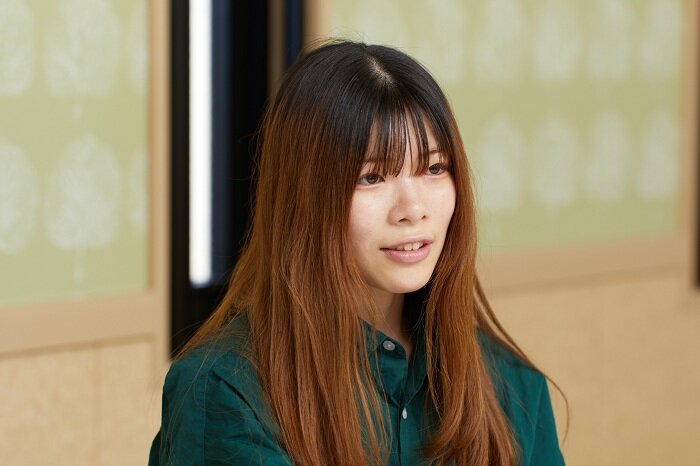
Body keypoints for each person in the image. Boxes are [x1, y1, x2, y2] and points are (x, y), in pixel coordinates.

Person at [149, 40, 565, 466]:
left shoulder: (512, 386)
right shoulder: (225, 392)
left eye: (434, 168)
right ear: (306, 197)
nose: (413, 209)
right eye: (372, 177)